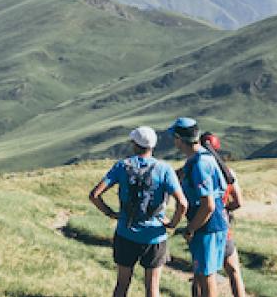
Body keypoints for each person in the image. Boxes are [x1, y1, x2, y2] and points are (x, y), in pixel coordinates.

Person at [89, 126, 188, 297]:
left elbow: (94, 195)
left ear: (135, 145)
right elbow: (182, 204)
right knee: (152, 289)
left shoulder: (122, 166)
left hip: (125, 233)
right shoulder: (164, 169)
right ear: (153, 146)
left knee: (122, 285)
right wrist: (172, 223)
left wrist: (111, 213)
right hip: (154, 235)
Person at [170, 118, 230, 297]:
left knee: (206, 278)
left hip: (207, 226)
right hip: (213, 223)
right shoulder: (202, 156)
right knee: (203, 274)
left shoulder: (199, 164)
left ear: (179, 139)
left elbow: (208, 205)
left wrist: (191, 228)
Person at [204, 133, 247, 297]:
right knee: (234, 271)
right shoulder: (228, 172)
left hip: (203, 226)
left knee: (204, 274)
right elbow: (238, 202)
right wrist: (223, 208)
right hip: (223, 225)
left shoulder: (195, 169)